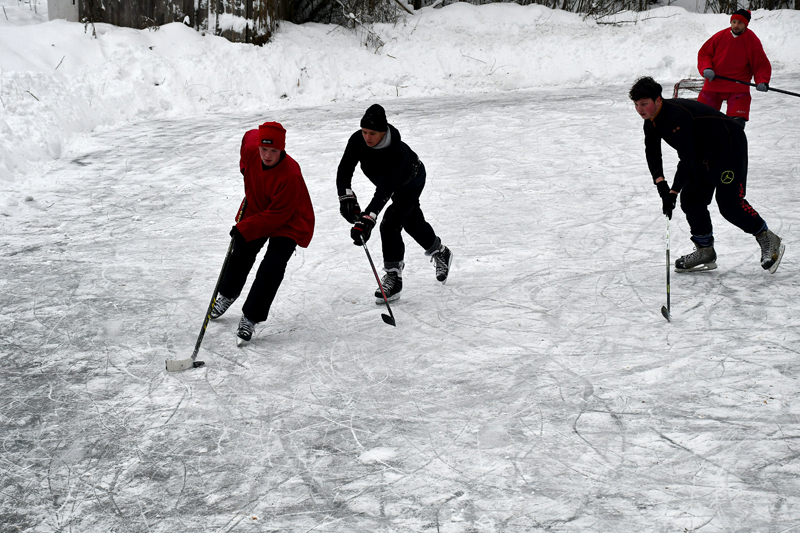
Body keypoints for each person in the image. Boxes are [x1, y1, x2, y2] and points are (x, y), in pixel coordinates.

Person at [629, 76, 784, 274]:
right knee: (691, 200)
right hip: (703, 154)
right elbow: (652, 154)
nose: (640, 109)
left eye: (644, 104)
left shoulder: (677, 115)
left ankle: (767, 237)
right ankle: (705, 250)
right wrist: (662, 187)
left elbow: (686, 160)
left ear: (658, 100)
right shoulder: (651, 122)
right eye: (636, 104)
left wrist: (673, 192)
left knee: (729, 204)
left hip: (728, 147)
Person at [209, 121, 315, 345]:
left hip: (289, 219)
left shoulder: (291, 175)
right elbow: (249, 136)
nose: (267, 155)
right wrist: (246, 172)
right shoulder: (251, 150)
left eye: (274, 151)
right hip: (258, 207)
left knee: (272, 265)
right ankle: (228, 294)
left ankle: (251, 317)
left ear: (282, 149)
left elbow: (277, 215)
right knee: (241, 251)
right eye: (264, 149)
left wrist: (245, 228)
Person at [336, 104, 453, 303]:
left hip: (411, 182)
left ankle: (393, 277)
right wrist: (345, 196)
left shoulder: (396, 152)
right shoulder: (357, 140)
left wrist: (368, 218)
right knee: (412, 222)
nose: (367, 137)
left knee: (390, 223)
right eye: (364, 131)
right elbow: (345, 169)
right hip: (389, 184)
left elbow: (384, 190)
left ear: (383, 132)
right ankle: (440, 252)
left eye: (372, 133)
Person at [697, 8, 771, 128]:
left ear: (746, 24)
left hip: (739, 85)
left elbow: (760, 63)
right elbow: (705, 53)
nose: (736, 25)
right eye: (734, 22)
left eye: (740, 23)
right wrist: (706, 68)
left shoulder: (752, 40)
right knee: (701, 118)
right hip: (714, 82)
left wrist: (762, 80)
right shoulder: (720, 36)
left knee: (736, 125)